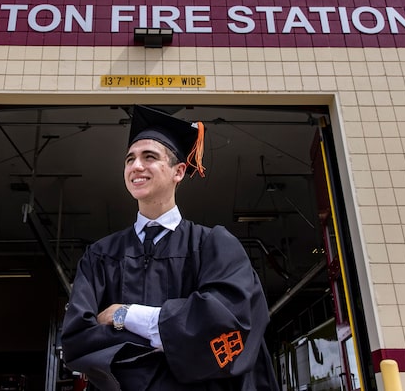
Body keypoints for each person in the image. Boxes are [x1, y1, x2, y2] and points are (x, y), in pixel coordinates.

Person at [61, 105, 280, 390]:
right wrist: (178, 339)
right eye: (130, 159)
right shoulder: (100, 255)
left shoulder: (214, 246)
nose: (136, 166)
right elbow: (78, 340)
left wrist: (125, 315)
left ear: (179, 171)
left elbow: (231, 322)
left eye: (149, 157)